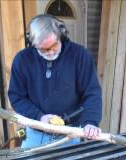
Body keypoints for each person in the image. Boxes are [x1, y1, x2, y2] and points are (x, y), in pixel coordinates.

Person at [8, 14, 102, 148]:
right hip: (35, 134)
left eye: (54, 45)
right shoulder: (22, 60)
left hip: (70, 135)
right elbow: (16, 97)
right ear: (32, 44)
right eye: (44, 49)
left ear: (61, 35)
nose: (51, 52)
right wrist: (39, 117)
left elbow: (92, 93)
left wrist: (91, 122)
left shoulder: (80, 56)